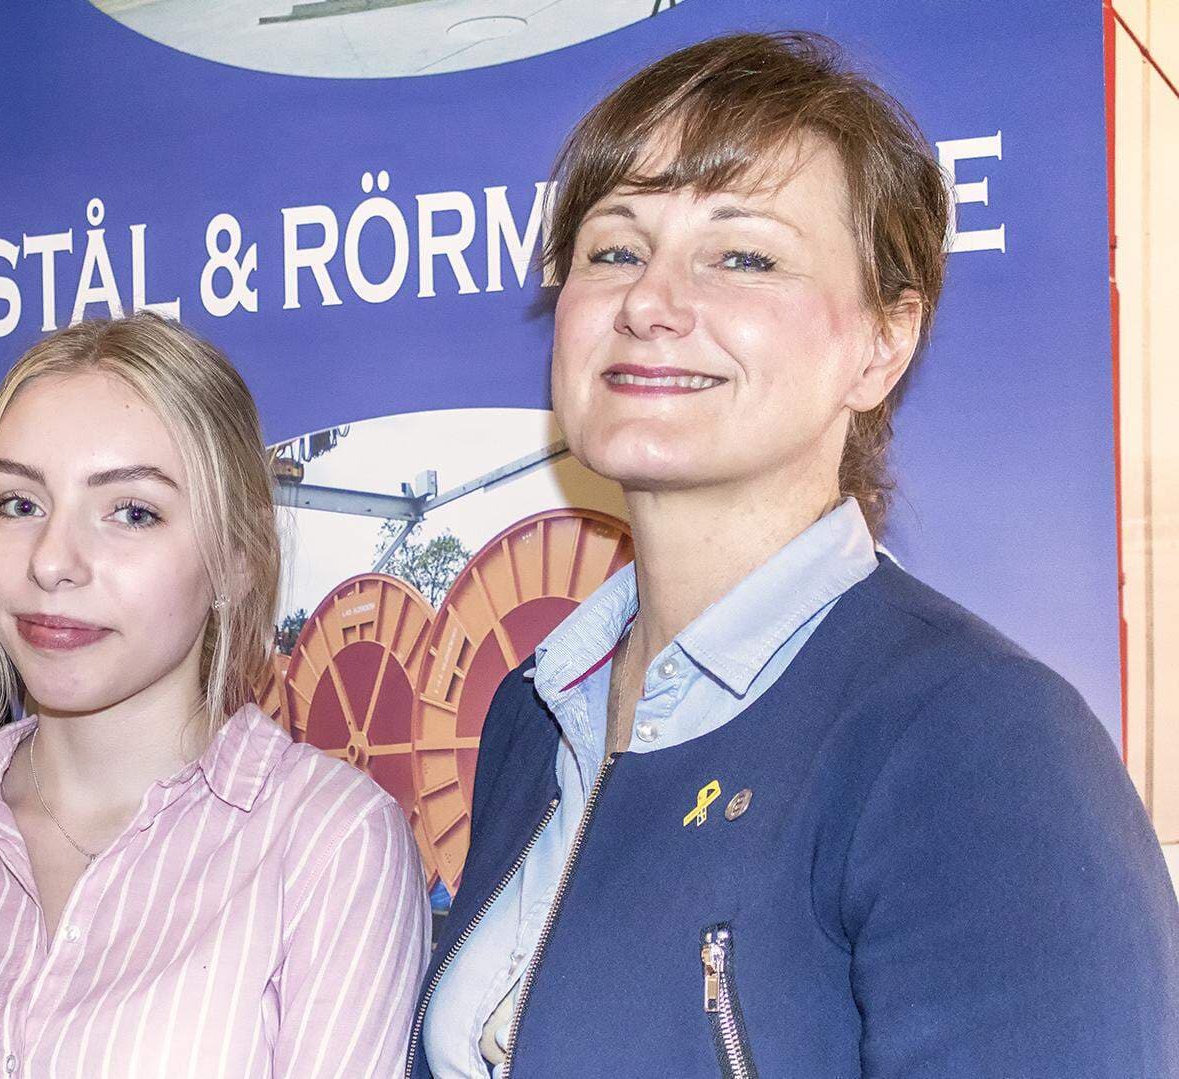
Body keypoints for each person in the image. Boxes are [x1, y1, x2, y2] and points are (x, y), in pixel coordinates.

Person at [410, 31, 1179, 1079]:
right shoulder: (531, 714)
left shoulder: (979, 740)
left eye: (744, 256)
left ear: (882, 341)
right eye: (614, 248)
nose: (649, 301)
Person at [0, 312, 429, 1076]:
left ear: (235, 558)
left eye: (131, 511)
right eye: (18, 503)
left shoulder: (328, 844)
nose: (53, 560)